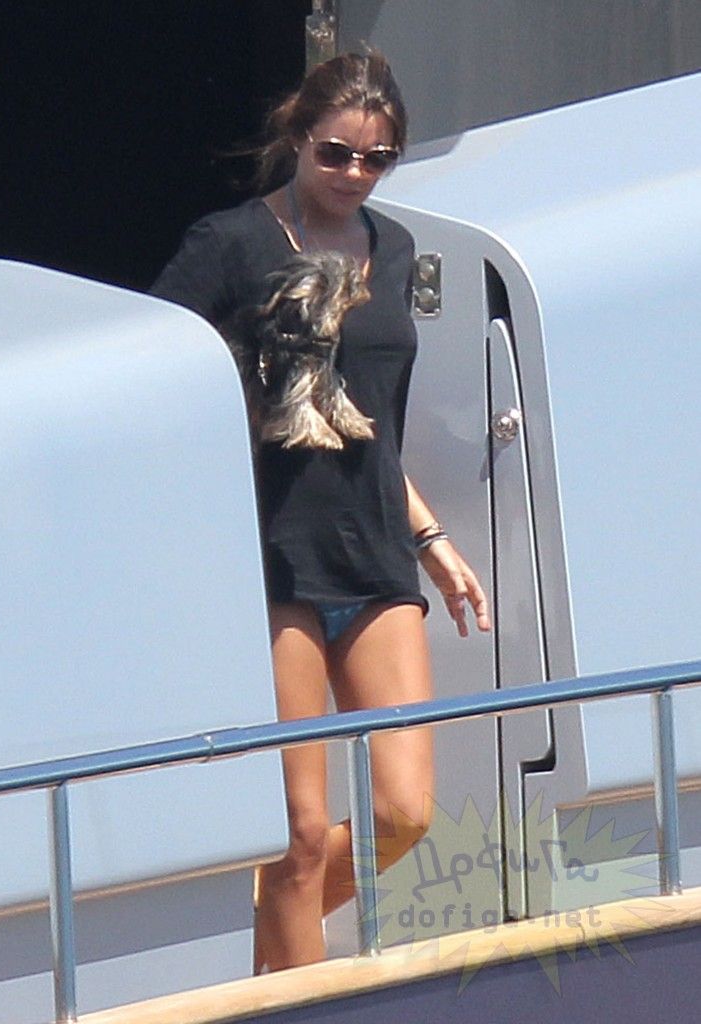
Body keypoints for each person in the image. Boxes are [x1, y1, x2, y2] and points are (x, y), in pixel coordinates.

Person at [150, 51, 491, 973]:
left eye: (375, 159)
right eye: (336, 152)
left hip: (374, 551)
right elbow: (147, 372)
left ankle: (264, 925)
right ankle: (293, 970)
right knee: (300, 838)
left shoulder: (395, 248)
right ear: (299, 137)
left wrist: (431, 539)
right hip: (272, 561)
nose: (353, 173)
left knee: (403, 814)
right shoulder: (229, 244)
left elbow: (369, 424)